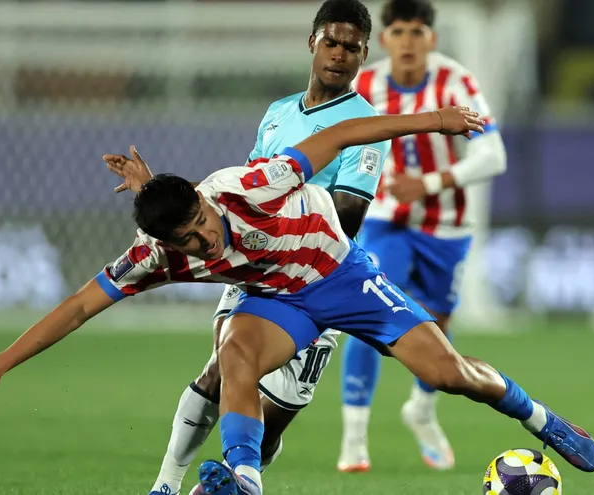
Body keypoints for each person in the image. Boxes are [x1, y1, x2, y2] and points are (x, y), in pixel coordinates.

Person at [0, 107, 594, 495]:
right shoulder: (159, 254)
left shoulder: (250, 186)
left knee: (446, 373)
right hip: (278, 303)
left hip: (341, 274)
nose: (205, 235)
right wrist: (2, 361)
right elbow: (80, 305)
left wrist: (439, 121)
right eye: (189, 236)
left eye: (201, 219)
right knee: (235, 353)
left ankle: (543, 420)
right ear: (166, 238)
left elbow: (342, 137)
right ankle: (244, 478)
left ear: (203, 195)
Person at [115, 1, 391, 494]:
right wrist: (156, 192)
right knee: (220, 369)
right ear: (312, 42)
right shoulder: (278, 114)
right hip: (255, 269)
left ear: (364, 54)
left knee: (274, 417)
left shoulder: (365, 128)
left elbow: (348, 217)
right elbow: (234, 195)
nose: (339, 54)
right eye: (331, 42)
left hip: (318, 276)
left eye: (352, 47)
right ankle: (166, 485)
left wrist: (279, 215)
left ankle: (241, 476)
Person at [336, 0, 509, 472]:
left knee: (437, 324)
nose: (408, 42)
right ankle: (354, 437)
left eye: (417, 32)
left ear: (431, 39)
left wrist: (430, 184)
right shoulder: (362, 83)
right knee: (369, 312)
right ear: (384, 40)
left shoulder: (455, 81)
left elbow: (494, 155)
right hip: (384, 219)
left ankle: (422, 410)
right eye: (399, 32)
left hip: (445, 224)